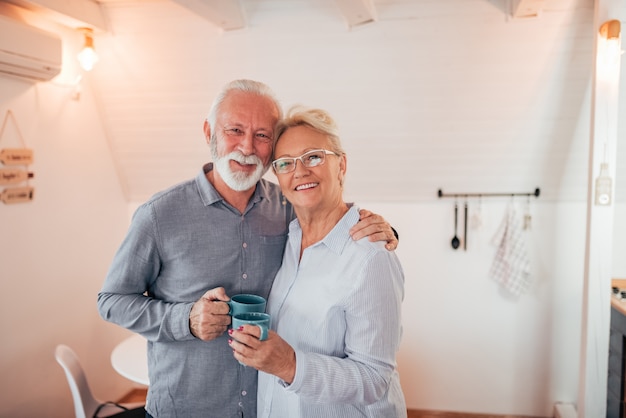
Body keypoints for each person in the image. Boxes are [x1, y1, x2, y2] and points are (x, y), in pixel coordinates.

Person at [97, 79, 398, 418]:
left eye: (262, 135)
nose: (247, 147)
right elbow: (112, 301)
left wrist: (384, 230)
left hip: (266, 406)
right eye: (235, 130)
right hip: (186, 408)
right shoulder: (159, 215)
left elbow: (330, 221)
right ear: (209, 132)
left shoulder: (287, 209)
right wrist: (186, 320)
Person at [230, 105, 407, 418]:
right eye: (285, 163)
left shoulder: (371, 257)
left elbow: (375, 378)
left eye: (313, 156)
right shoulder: (287, 236)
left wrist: (290, 365)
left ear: (342, 165)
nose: (300, 171)